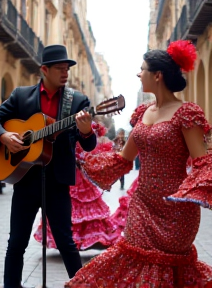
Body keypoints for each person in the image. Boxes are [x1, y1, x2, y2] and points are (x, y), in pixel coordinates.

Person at [65, 40, 212, 287]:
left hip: (176, 211)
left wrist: (188, 194)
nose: (138, 73)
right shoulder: (143, 112)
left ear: (157, 75)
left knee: (167, 265)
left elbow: (202, 162)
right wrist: (85, 153)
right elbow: (124, 158)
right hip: (142, 204)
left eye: (142, 68)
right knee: (129, 257)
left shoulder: (187, 113)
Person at [0, 44, 97, 288]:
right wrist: (4, 136)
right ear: (44, 69)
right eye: (59, 68)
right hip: (25, 179)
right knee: (16, 243)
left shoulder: (77, 101)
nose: (65, 72)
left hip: (57, 181)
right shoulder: (20, 95)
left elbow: (88, 146)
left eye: (67, 68)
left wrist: (86, 132)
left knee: (66, 242)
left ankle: (81, 285)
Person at [34, 121, 121, 250]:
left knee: (76, 205)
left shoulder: (86, 127)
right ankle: (70, 241)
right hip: (65, 172)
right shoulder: (63, 122)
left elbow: (89, 148)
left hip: (77, 172)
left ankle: (84, 240)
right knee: (64, 206)